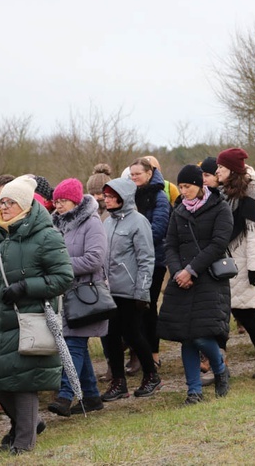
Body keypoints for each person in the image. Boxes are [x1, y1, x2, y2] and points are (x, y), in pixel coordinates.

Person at [0, 175, 74, 454]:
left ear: (24, 204)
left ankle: (24, 444)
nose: (2, 207)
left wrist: (26, 287)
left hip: (28, 320)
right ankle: (30, 423)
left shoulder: (46, 236)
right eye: (0, 202)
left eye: (9, 202)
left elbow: (63, 278)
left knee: (24, 383)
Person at [157, 165, 233, 405]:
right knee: (185, 336)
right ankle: (194, 390)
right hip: (181, 281)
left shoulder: (220, 208)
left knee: (201, 335)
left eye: (187, 186)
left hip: (209, 279)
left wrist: (192, 270)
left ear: (200, 185)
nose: (183, 191)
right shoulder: (178, 211)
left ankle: (220, 369)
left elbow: (219, 243)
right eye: (180, 187)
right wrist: (177, 271)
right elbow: (170, 244)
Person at [216, 148, 255, 378]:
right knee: (221, 314)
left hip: (243, 264)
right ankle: (218, 364)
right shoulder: (223, 194)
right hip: (225, 262)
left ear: (231, 170)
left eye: (221, 167)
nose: (217, 171)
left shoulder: (249, 195)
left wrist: (253, 268)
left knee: (247, 314)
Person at [48, 179, 109, 417]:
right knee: (76, 344)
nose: (58, 206)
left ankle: (65, 395)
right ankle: (92, 396)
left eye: (62, 201)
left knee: (72, 344)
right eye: (56, 202)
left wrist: (60, 266)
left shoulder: (92, 223)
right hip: (64, 294)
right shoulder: (58, 225)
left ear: (74, 200)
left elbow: (95, 258)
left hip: (85, 295)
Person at [100, 177, 160, 401]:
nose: (106, 199)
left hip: (130, 291)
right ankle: (118, 382)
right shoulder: (107, 222)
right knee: (111, 337)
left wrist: (142, 292)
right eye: (105, 196)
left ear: (122, 197)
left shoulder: (139, 222)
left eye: (109, 196)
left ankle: (151, 375)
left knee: (134, 335)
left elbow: (146, 259)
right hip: (109, 291)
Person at [129, 157, 171, 369]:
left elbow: (159, 228)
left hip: (155, 260)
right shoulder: (129, 195)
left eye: (138, 173)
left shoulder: (159, 196)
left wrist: (133, 241)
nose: (135, 177)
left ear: (149, 173)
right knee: (134, 310)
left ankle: (153, 354)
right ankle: (138, 354)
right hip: (132, 261)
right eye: (132, 174)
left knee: (149, 307)